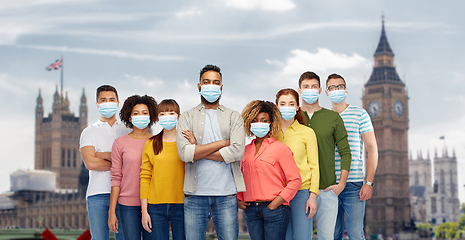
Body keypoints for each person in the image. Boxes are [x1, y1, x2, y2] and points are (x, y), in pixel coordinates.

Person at [176, 64, 245, 240]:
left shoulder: (234, 116)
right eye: (206, 82)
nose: (211, 86)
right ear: (199, 86)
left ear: (221, 87)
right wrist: (222, 143)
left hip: (226, 194)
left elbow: (236, 152)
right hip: (195, 195)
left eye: (216, 82)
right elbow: (185, 154)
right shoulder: (186, 117)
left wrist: (197, 148)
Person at [297, 71, 352, 240]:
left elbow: (345, 153)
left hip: (327, 188)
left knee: (327, 237)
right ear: (299, 90)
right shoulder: (292, 117)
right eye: (306, 87)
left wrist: (341, 184)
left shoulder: (333, 118)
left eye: (314, 87)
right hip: (300, 189)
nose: (310, 90)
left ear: (320, 90)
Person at [237, 100, 302, 240]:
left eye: (264, 120)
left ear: (271, 123)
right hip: (251, 210)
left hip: (275, 209)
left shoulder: (281, 149)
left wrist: (276, 203)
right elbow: (239, 177)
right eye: (255, 120)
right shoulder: (244, 151)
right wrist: (239, 199)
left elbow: (295, 180)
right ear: (249, 122)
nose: (259, 123)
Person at [325, 74, 378, 240]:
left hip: (354, 184)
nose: (336, 90)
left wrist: (368, 182)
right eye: (332, 88)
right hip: (328, 184)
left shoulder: (360, 114)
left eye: (339, 86)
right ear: (326, 93)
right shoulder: (323, 117)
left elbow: (372, 149)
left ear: (346, 90)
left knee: (356, 234)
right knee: (333, 234)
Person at [80, 85, 130, 240]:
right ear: (97, 104)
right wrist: (120, 163)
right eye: (103, 100)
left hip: (124, 193)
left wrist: (103, 155)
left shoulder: (127, 130)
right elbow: (90, 163)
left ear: (117, 102)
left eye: (111, 100)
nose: (108, 103)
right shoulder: (88, 132)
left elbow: (134, 163)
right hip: (97, 194)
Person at [140, 99, 193, 240]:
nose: (167, 116)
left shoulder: (186, 143)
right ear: (158, 118)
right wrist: (144, 211)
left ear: (179, 116)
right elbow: (145, 178)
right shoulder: (150, 144)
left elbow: (196, 169)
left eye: (171, 113)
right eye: (162, 113)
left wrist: (194, 145)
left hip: (182, 205)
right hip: (155, 207)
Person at [108, 95, 158, 240]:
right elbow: (116, 179)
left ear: (151, 116)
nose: (140, 116)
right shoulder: (120, 143)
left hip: (153, 204)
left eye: (144, 113)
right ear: (129, 118)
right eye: (136, 113)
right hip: (127, 205)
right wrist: (112, 211)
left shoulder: (157, 142)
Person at [275, 89, 319, 240]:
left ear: (297, 107)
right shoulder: (270, 133)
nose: (287, 107)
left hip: (302, 193)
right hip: (278, 194)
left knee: (302, 237)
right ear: (277, 106)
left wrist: (312, 196)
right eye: (283, 103)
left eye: (291, 103)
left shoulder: (307, 133)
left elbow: (314, 166)